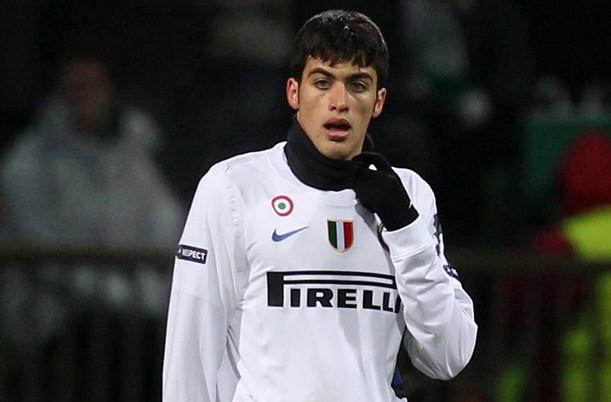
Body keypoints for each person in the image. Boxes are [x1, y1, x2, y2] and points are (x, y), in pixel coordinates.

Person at [163, 10, 477, 402]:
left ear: (378, 101)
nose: (339, 102)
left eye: (357, 85)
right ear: (294, 93)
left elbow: (448, 355)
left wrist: (405, 230)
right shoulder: (233, 188)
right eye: (322, 82)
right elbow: (189, 357)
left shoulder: (409, 195)